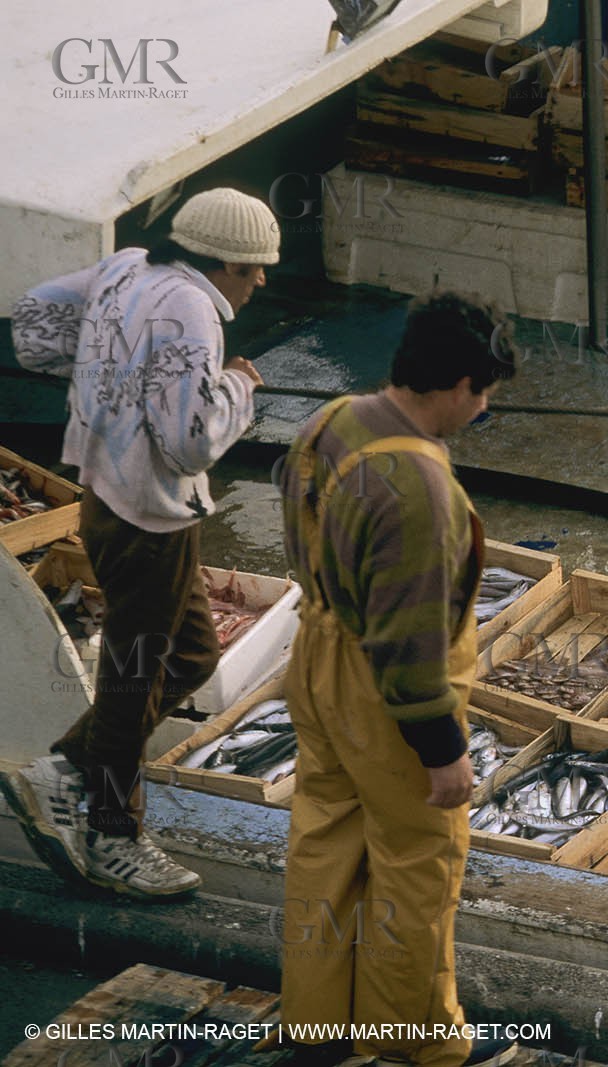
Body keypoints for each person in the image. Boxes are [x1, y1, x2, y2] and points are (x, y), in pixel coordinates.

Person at [2, 188, 275, 898]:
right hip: (148, 516)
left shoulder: (125, 267)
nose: (260, 281)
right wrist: (239, 389)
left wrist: (104, 373)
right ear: (220, 263)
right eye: (252, 269)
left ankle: (62, 768)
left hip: (104, 499)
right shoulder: (192, 310)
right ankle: (113, 835)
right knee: (134, 674)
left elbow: (30, 325)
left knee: (190, 655)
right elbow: (189, 444)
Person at [276, 292, 518, 1067]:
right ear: (457, 386)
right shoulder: (421, 489)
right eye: (483, 396)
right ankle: (416, 1041)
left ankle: (316, 1029)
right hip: (380, 692)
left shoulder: (336, 418)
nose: (481, 411)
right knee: (417, 864)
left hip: (314, 656)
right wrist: (442, 748)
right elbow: (409, 640)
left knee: (326, 842)